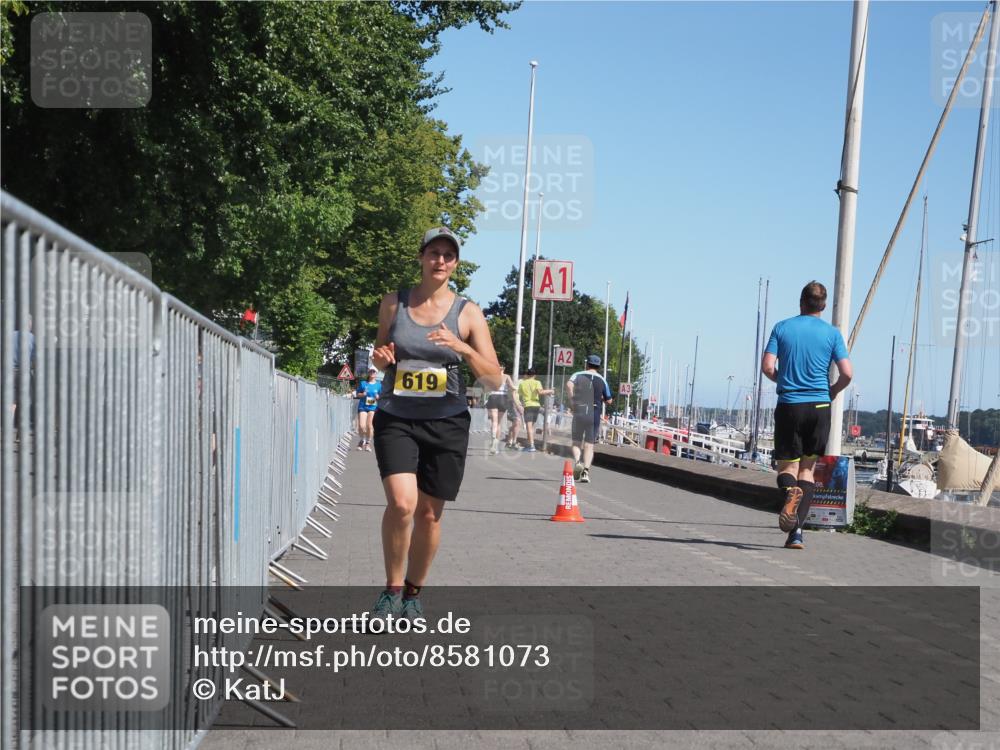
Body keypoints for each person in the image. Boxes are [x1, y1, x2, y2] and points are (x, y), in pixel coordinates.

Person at [369, 226, 501, 621]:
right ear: (421, 257)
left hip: (446, 422)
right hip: (397, 417)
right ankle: (391, 591)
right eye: (433, 253)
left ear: (455, 263)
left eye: (448, 255)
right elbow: (379, 356)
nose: (440, 261)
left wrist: (462, 347)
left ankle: (413, 593)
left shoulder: (468, 312)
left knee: (428, 514)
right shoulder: (394, 303)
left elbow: (493, 378)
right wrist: (381, 359)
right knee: (402, 503)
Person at [761, 281, 852, 550]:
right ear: (823, 305)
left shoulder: (782, 328)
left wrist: (782, 380)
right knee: (808, 472)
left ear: (801, 301)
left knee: (786, 470)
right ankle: (796, 533)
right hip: (820, 408)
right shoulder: (832, 334)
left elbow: (767, 367)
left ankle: (790, 493)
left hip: (790, 405)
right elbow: (847, 373)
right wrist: (832, 391)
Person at [565, 354, 613, 483]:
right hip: (594, 412)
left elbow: (569, 385)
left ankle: (577, 462)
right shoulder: (602, 380)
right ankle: (586, 472)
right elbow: (609, 400)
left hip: (579, 410)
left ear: (587, 364)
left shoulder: (577, 374)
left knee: (576, 442)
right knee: (589, 445)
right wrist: (601, 398)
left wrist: (572, 400)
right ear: (599, 366)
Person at [516, 367, 553, 452]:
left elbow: (519, 394)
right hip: (536, 405)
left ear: (528, 374)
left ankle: (531, 446)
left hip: (528, 405)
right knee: (531, 426)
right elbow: (540, 392)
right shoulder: (537, 382)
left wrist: (519, 404)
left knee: (529, 427)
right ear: (535, 375)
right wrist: (550, 391)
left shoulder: (522, 383)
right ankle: (529, 445)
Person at [485, 364, 519, 454]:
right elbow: (513, 387)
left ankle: (492, 441)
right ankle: (495, 446)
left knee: (494, 422)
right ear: (504, 368)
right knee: (499, 423)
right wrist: (516, 388)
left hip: (493, 397)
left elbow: (486, 389)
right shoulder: (506, 376)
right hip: (503, 398)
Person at [354, 367, 380, 451]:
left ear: (376, 374)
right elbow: (357, 394)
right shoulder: (363, 383)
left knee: (369, 426)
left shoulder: (379, 385)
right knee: (361, 426)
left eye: (374, 372)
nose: (372, 373)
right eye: (371, 371)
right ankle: (362, 440)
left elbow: (382, 397)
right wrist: (363, 394)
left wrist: (377, 397)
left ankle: (368, 443)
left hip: (373, 407)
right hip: (363, 407)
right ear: (368, 373)